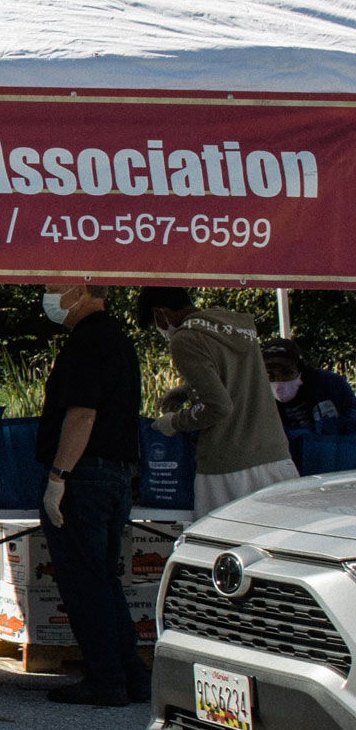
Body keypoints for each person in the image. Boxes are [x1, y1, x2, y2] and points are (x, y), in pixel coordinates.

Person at [37, 281, 148, 707]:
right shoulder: (117, 338)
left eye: (53, 287)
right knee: (103, 578)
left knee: (85, 581)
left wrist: (59, 476)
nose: (47, 296)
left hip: (84, 475)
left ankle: (105, 676)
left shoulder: (88, 342)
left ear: (81, 290)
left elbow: (82, 414)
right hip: (114, 474)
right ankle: (130, 673)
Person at [140, 287, 296, 517]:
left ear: (160, 313)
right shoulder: (237, 329)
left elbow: (217, 407)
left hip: (227, 466)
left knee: (221, 545)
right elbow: (240, 380)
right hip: (275, 458)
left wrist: (174, 422)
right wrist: (187, 390)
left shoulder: (185, 338)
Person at [265, 339, 356, 446]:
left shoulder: (330, 385)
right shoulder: (259, 396)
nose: (279, 380)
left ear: (301, 370)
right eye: (271, 374)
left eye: (286, 372)